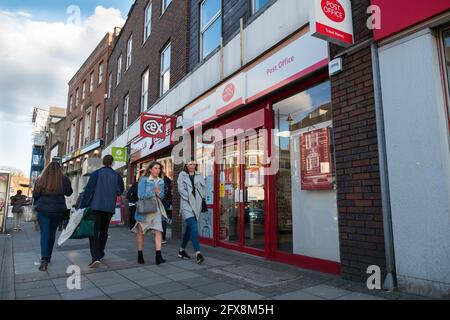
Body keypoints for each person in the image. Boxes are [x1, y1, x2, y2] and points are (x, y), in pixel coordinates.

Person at [80, 155, 124, 268]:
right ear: (112, 163)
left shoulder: (96, 174)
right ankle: (100, 252)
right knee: (104, 230)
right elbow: (120, 191)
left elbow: (89, 191)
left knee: (94, 232)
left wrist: (83, 206)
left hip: (96, 207)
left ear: (102, 162)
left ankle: (95, 257)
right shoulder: (117, 176)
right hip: (109, 208)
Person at [33, 161, 73, 271]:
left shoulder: (41, 179)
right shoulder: (64, 179)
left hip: (43, 210)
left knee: (45, 233)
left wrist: (36, 207)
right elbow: (69, 193)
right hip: (58, 211)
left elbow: (35, 195)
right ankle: (48, 256)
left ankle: (44, 259)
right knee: (52, 233)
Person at [132, 161, 167, 265]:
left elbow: (162, 196)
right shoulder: (144, 180)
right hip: (145, 208)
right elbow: (140, 195)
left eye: (159, 168)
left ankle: (158, 256)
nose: (157, 170)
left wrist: (159, 193)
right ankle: (140, 254)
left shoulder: (161, 181)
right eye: (155, 168)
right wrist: (153, 191)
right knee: (140, 232)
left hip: (156, 208)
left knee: (158, 231)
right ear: (150, 169)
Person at [177, 158, 206, 264]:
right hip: (186, 205)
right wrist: (190, 198)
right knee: (194, 227)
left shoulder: (199, 175)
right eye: (190, 164)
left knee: (189, 230)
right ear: (186, 165)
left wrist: (201, 194)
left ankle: (181, 251)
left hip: (197, 205)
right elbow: (181, 189)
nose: (192, 166)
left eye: (194, 164)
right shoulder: (182, 175)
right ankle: (198, 253)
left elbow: (203, 188)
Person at [160, 168, 173, 244]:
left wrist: (161, 201)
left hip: (162, 203)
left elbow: (164, 193)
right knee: (162, 220)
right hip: (164, 203)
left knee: (162, 220)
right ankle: (161, 237)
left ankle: (162, 237)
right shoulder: (166, 181)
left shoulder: (163, 181)